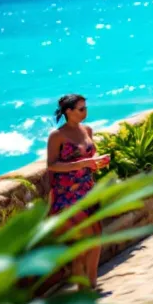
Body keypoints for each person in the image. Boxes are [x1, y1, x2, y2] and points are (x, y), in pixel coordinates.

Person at [46, 93, 110, 289]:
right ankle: (82, 288)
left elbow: (93, 151)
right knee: (80, 244)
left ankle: (91, 283)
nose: (85, 112)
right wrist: (82, 163)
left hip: (88, 190)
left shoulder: (87, 130)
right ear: (68, 112)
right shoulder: (57, 136)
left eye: (85, 108)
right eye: (81, 109)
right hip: (68, 196)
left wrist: (98, 160)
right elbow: (52, 165)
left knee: (96, 238)